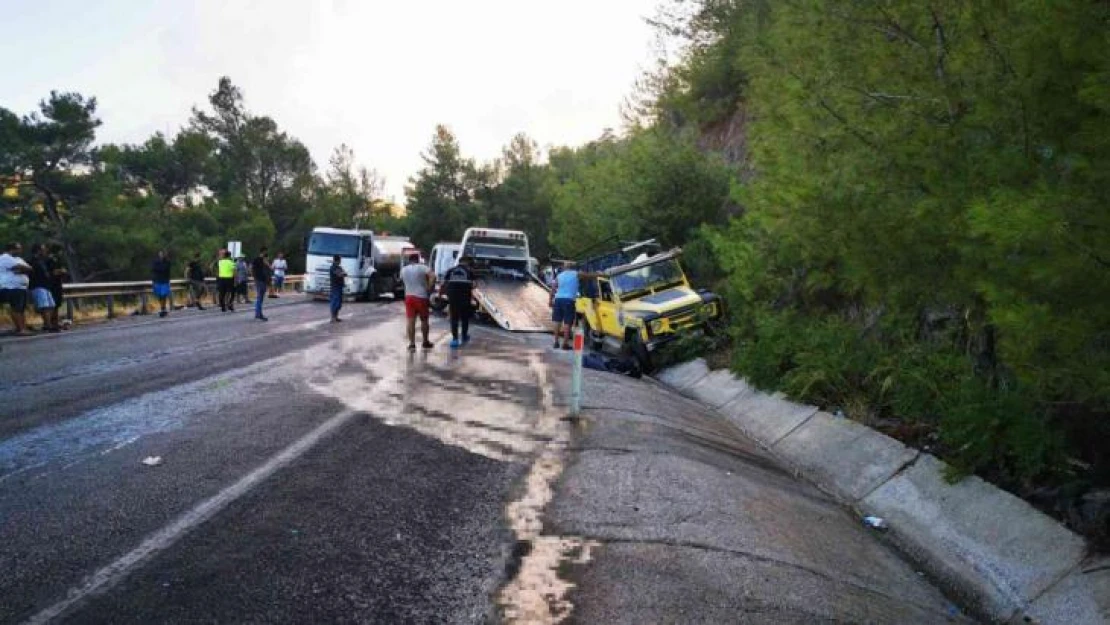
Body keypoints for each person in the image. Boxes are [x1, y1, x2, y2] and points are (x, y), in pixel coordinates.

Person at [549, 261, 594, 350]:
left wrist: (550, 300)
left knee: (557, 321)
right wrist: (602, 274)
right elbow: (589, 276)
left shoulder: (559, 276)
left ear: (564, 267)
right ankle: (565, 344)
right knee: (567, 322)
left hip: (558, 299)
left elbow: (553, 288)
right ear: (573, 267)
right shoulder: (576, 274)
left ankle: (556, 342)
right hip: (569, 300)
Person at [400, 252, 435, 351]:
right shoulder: (423, 267)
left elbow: (402, 281)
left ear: (409, 260)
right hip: (421, 297)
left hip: (409, 297)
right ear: (418, 259)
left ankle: (412, 344)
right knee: (424, 320)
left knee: (410, 321)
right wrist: (429, 287)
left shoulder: (403, 270)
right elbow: (433, 276)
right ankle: (425, 342)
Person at [441, 256, 476, 349]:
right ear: (467, 262)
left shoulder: (450, 271)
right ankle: (464, 336)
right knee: (465, 318)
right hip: (465, 298)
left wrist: (442, 294)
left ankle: (455, 339)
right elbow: (474, 285)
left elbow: (444, 284)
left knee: (454, 318)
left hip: (453, 298)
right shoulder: (470, 272)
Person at [0, 243, 32, 335]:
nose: (20, 251)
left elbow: (30, 268)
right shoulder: (5, 258)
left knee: (21, 309)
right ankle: (20, 329)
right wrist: (23, 269)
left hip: (21, 287)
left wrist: (23, 269)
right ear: (12, 249)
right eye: (18, 249)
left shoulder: (18, 259)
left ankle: (22, 328)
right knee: (16, 308)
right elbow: (20, 267)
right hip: (11, 287)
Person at [28, 244, 60, 332]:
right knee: (44, 306)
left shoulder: (42, 261)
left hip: (46, 286)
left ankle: (48, 324)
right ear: (38, 251)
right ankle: (48, 325)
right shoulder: (31, 261)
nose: (45, 251)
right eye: (43, 249)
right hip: (37, 285)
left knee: (52, 305)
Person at [47, 245, 69, 324]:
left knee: (57, 303)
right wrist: (61, 271)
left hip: (58, 283)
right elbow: (53, 272)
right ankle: (51, 322)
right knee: (53, 303)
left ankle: (55, 321)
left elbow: (63, 271)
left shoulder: (58, 259)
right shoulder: (50, 259)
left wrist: (62, 271)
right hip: (52, 284)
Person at [151, 249, 173, 318]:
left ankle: (163, 309)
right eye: (160, 254)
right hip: (157, 280)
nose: (161, 255)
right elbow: (154, 269)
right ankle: (162, 308)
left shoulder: (167, 262)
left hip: (164, 281)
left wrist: (159, 269)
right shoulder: (156, 262)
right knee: (159, 295)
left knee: (164, 295)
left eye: (162, 254)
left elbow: (165, 269)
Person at [251, 247, 271, 321]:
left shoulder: (257, 260)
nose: (266, 253)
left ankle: (258, 313)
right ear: (263, 252)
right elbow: (269, 267)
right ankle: (259, 314)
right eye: (266, 252)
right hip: (260, 280)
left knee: (260, 298)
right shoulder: (260, 260)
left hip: (260, 280)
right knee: (260, 298)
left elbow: (252, 269)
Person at [328, 255, 347, 322]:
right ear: (337, 260)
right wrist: (342, 274)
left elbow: (344, 274)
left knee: (339, 303)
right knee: (335, 302)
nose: (340, 261)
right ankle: (333, 318)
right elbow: (340, 274)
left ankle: (336, 317)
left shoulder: (339, 267)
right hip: (335, 287)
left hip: (339, 286)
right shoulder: (333, 267)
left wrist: (342, 274)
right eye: (339, 260)